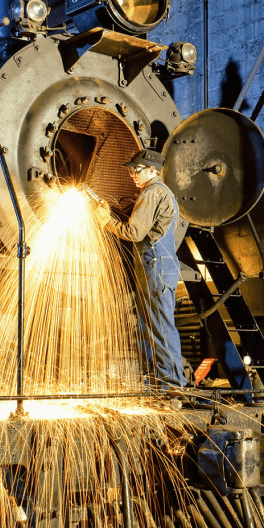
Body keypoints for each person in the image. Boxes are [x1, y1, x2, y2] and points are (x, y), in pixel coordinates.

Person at [95, 148, 186, 391]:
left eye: (137, 170)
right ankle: (157, 383)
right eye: (132, 169)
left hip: (155, 267)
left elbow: (134, 232)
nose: (132, 174)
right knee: (150, 327)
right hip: (156, 267)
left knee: (159, 327)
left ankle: (171, 386)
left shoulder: (152, 192)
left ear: (152, 170)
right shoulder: (161, 192)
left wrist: (105, 220)